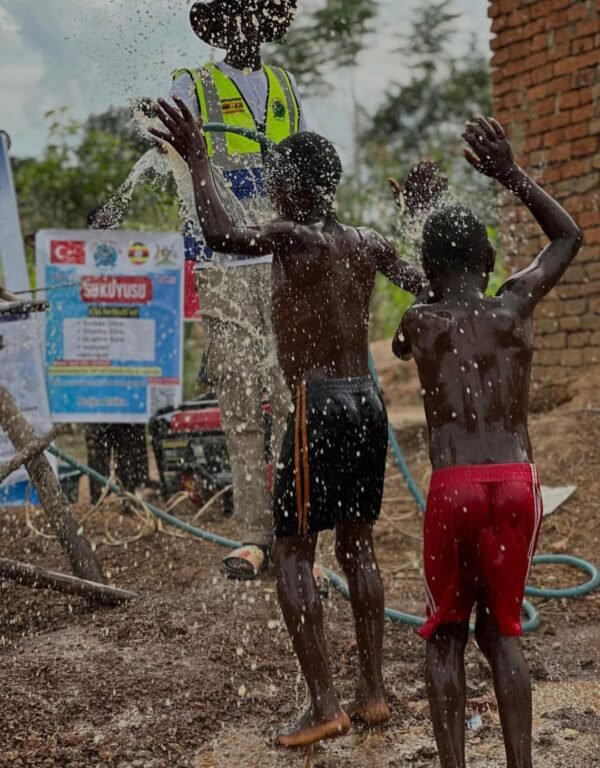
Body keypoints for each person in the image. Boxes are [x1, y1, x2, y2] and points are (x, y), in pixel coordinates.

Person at [149, 98, 445, 747]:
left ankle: (323, 705)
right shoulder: (367, 241)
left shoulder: (294, 236)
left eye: (277, 179)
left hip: (317, 409)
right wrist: (417, 218)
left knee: (293, 552)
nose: (272, 191)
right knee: (358, 547)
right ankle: (371, 695)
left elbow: (224, 234)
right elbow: (430, 284)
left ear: (298, 188)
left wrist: (198, 156)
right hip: (365, 404)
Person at [393, 116, 582, 768]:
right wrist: (510, 175)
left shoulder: (419, 320)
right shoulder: (515, 306)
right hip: (516, 486)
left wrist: (412, 214)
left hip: (454, 490)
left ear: (429, 266)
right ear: (491, 263)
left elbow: (417, 306)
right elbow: (569, 237)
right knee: (503, 634)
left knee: (445, 635)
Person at [169, 0, 306, 580]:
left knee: (295, 400)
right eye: (237, 12)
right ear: (222, 24)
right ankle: (252, 537)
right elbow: (173, 162)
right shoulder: (192, 84)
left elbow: (301, 165)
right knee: (243, 400)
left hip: (280, 265)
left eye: (257, 12)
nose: (248, 23)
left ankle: (298, 533)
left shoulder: (284, 84)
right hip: (223, 265)